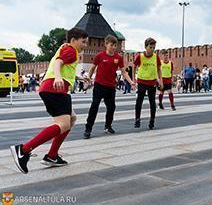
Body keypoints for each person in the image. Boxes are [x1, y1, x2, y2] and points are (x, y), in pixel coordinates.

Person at [10, 28, 89, 173]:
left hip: (53, 88)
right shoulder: (71, 50)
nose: (85, 45)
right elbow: (58, 63)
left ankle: (52, 156)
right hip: (55, 88)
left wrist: (78, 77)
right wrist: (58, 77)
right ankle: (23, 150)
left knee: (71, 119)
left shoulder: (66, 49)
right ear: (73, 40)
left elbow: (63, 66)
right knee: (63, 124)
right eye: (83, 42)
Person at [84, 35, 135, 139]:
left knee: (111, 107)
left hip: (111, 86)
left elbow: (124, 72)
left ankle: (108, 126)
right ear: (106, 44)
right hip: (99, 85)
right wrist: (88, 78)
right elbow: (93, 68)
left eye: (115, 45)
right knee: (95, 105)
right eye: (112, 45)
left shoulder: (118, 58)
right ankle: (88, 129)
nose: (113, 47)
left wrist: (131, 82)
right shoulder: (100, 56)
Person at [133, 37, 163, 130]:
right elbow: (134, 66)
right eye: (150, 47)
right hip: (142, 81)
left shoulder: (156, 57)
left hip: (152, 82)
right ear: (146, 47)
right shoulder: (140, 56)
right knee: (139, 101)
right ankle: (137, 119)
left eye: (154, 47)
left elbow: (159, 69)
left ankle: (152, 120)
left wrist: (160, 80)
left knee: (152, 102)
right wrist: (133, 79)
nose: (152, 49)